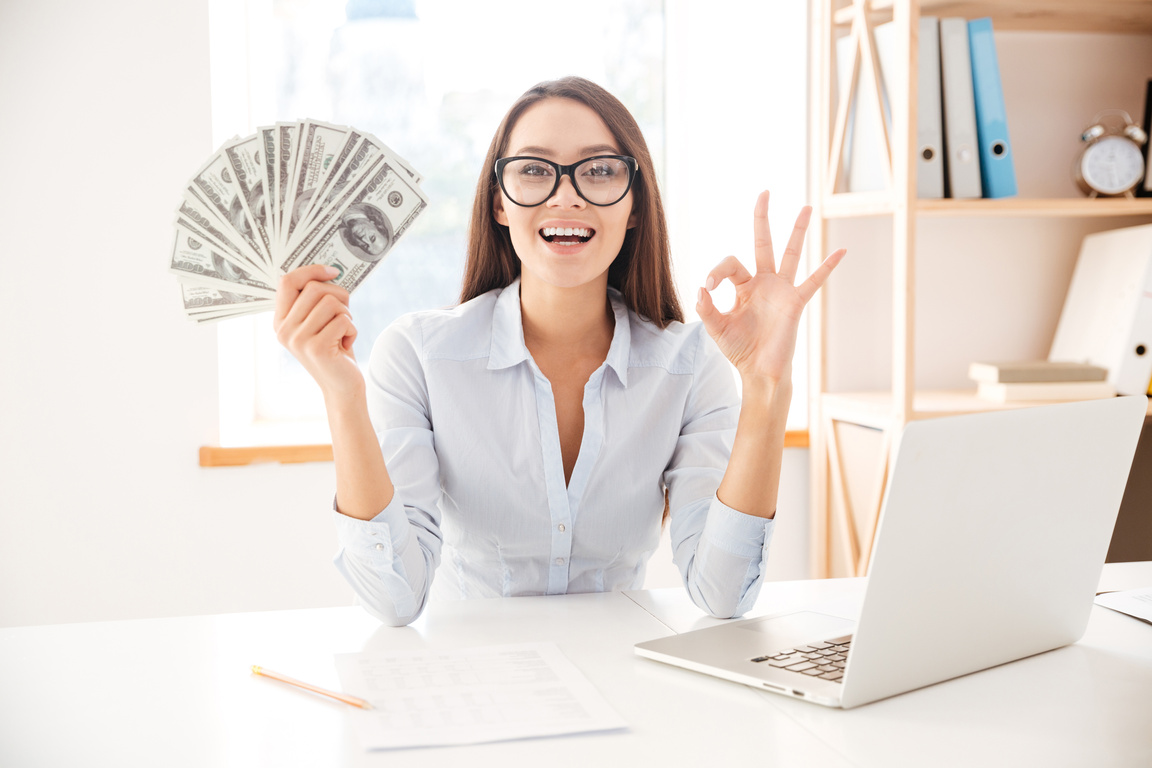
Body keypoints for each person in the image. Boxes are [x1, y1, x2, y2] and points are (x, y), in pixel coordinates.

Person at [273, 76, 845, 626]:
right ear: (500, 204)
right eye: (533, 170)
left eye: (598, 171)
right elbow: (394, 599)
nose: (566, 194)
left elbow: (721, 593)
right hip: (469, 684)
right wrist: (344, 396)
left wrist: (767, 388)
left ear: (634, 207)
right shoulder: (419, 355)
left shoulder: (689, 363)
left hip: (621, 688)